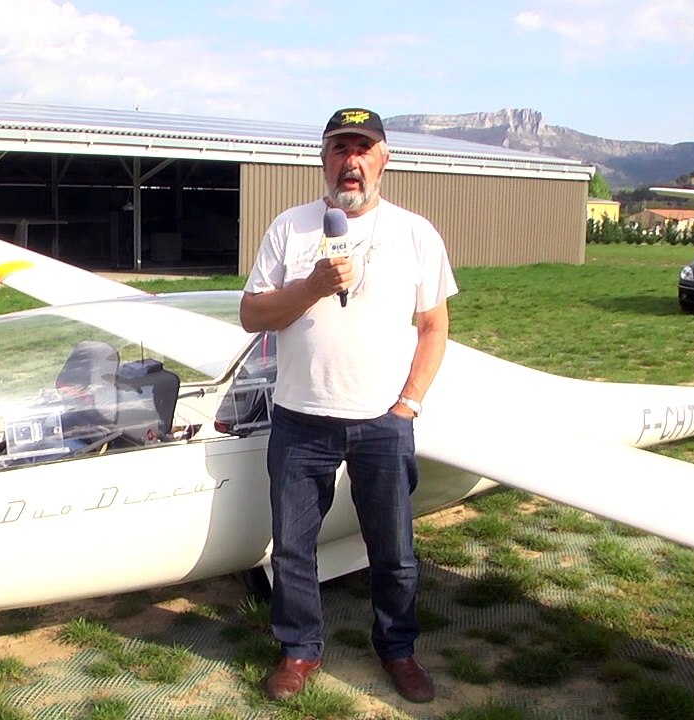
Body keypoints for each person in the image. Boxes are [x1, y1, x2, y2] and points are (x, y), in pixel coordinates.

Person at [239, 107, 457, 704]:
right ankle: (299, 650)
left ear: (384, 158)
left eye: (363, 149)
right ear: (324, 160)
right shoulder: (290, 227)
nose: (351, 162)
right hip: (300, 418)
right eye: (339, 149)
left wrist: (408, 404)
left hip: (382, 421)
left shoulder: (415, 233)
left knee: (394, 551)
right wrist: (312, 286)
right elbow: (252, 314)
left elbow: (434, 326)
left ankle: (398, 649)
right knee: (292, 548)